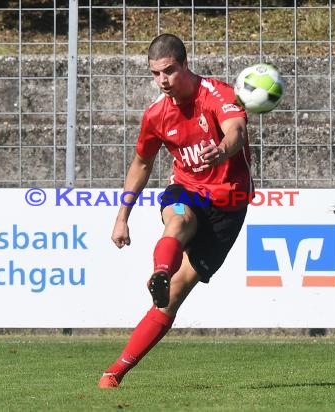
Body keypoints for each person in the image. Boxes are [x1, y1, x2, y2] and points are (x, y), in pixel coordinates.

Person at [98, 33, 253, 389]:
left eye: (169, 71)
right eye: (155, 74)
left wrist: (223, 149)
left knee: (175, 297)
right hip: (187, 191)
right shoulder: (155, 115)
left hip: (228, 205)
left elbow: (236, 131)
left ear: (184, 64)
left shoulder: (217, 94)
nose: (163, 80)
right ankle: (159, 274)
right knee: (178, 220)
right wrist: (122, 217)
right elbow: (141, 164)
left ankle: (117, 370)